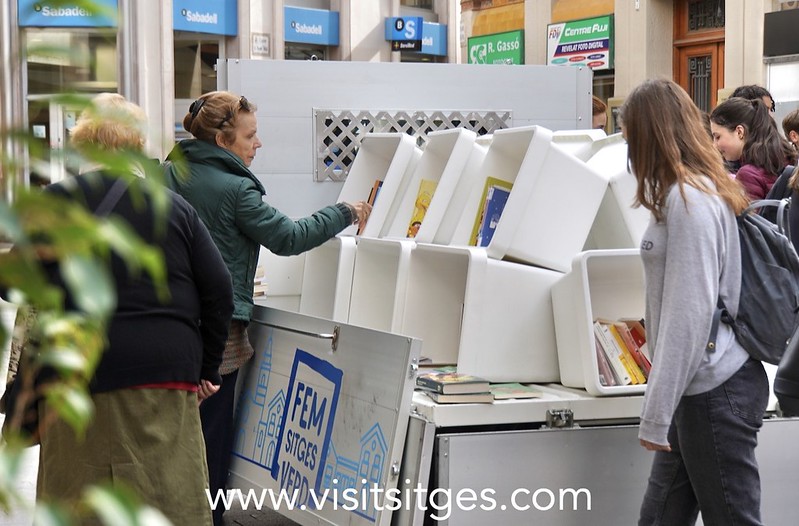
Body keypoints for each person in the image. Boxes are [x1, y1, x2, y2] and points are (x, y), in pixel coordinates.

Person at [164, 90, 371, 526]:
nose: (258, 145)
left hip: (164, 327)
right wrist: (346, 211)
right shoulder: (236, 190)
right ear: (223, 141)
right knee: (211, 441)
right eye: (250, 136)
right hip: (216, 337)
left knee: (168, 440)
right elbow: (290, 237)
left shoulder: (162, 175)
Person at [32, 93, 234, 525]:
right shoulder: (173, 208)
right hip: (163, 374)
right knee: (168, 498)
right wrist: (208, 367)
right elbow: (219, 290)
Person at [620, 78, 769, 526]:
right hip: (705, 387)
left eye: (631, 138)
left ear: (652, 136)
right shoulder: (695, 192)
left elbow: (689, 314)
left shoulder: (688, 200)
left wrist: (656, 412)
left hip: (712, 389)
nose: (628, 151)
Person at [710, 96, 794, 200]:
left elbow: (748, 215)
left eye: (717, 137)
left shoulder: (748, 174)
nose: (714, 145)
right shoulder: (788, 157)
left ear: (740, 132)